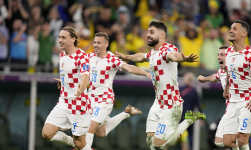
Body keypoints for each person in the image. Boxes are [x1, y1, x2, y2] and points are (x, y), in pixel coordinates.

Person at [116, 21, 206, 150]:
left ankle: (188, 120)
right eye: (148, 32)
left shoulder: (168, 49)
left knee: (160, 143)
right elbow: (141, 57)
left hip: (171, 104)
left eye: (152, 32)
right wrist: (126, 56)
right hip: (158, 103)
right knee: (150, 142)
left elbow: (173, 56)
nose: (148, 35)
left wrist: (183, 58)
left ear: (162, 34)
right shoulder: (153, 53)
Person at [84, 32, 152, 149]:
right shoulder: (89, 57)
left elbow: (129, 67)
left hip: (104, 100)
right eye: (94, 42)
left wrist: (145, 73)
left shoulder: (112, 59)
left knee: (90, 126)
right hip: (90, 99)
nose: (95, 45)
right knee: (101, 132)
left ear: (106, 44)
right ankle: (126, 113)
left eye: (99, 43)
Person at [41, 26, 91, 150]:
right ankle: (77, 144)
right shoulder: (62, 55)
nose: (60, 40)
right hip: (64, 102)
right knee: (46, 133)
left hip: (78, 104)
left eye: (63, 37)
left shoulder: (82, 56)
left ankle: (82, 146)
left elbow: (86, 77)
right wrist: (63, 83)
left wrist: (80, 90)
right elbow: (70, 75)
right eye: (59, 37)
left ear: (73, 39)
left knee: (80, 143)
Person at [223, 20, 251, 150]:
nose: (230, 31)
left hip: (248, 99)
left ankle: (248, 129)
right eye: (230, 28)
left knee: (241, 137)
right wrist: (227, 87)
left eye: (234, 29)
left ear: (244, 33)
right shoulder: (228, 52)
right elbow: (229, 72)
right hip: (234, 101)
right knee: (227, 142)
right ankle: (249, 130)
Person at [197, 46, 228, 148]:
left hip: (242, 107)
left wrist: (227, 90)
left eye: (222, 55)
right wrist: (204, 79)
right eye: (218, 55)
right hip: (230, 109)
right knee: (220, 141)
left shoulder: (237, 69)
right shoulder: (221, 71)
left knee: (240, 139)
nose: (219, 57)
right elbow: (215, 77)